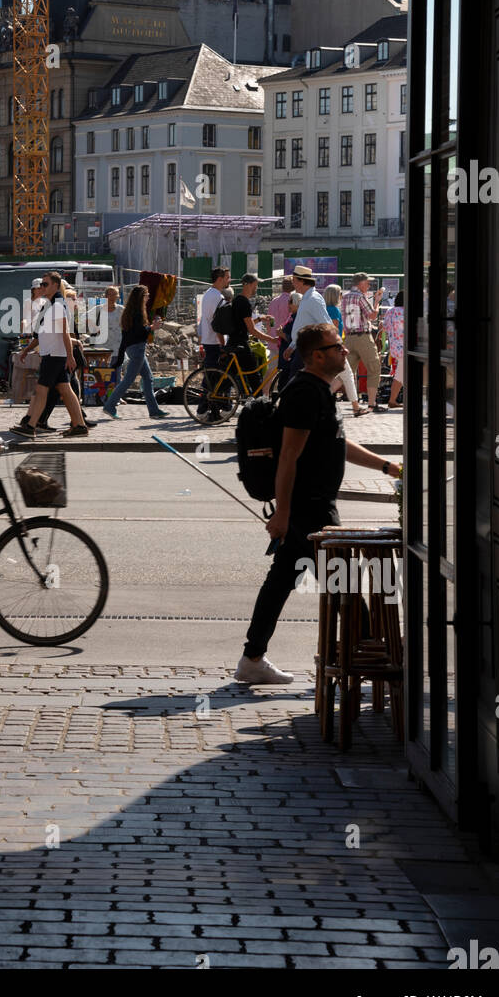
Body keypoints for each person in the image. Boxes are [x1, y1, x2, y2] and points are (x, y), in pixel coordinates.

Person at [234, 321, 402, 684]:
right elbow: (288, 457)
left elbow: (338, 444)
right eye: (337, 346)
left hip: (312, 505)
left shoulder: (322, 390)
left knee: (284, 581)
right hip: (310, 508)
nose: (344, 350)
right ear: (316, 356)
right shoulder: (304, 393)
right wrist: (283, 512)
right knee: (344, 581)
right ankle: (373, 658)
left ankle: (252, 658)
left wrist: (388, 466)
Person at [12, 271, 89, 438]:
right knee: (66, 390)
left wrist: (70, 356)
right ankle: (80, 426)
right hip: (52, 354)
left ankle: (31, 425)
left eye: (45, 284)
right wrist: (26, 350)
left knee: (41, 390)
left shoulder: (58, 306)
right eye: (41, 284)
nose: (42, 287)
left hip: (54, 355)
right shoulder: (50, 306)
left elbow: (65, 334)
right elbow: (41, 334)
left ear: (55, 285)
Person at [99, 283, 168, 421]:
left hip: (134, 348)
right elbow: (138, 332)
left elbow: (129, 334)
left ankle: (154, 410)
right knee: (128, 380)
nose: (148, 297)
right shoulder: (136, 312)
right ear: (141, 297)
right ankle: (110, 405)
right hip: (137, 349)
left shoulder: (130, 311)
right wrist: (152, 328)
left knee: (148, 378)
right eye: (147, 295)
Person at [341, 272, 385, 412]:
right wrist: (377, 302)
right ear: (360, 283)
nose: (369, 285)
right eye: (367, 282)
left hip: (349, 338)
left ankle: (324, 397)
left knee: (346, 372)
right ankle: (372, 404)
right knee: (374, 368)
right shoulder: (361, 296)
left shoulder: (345, 296)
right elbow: (372, 315)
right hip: (363, 337)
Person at [324, 283, 368, 417]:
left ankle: (324, 397)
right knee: (347, 375)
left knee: (343, 376)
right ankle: (355, 407)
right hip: (336, 347)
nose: (342, 296)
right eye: (340, 294)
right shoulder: (334, 310)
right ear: (336, 296)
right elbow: (334, 329)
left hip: (329, 347)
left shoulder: (325, 308)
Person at [223, 274, 277, 378]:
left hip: (234, 341)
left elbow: (244, 324)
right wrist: (272, 339)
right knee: (254, 376)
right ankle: (258, 395)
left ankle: (214, 392)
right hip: (240, 344)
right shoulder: (244, 303)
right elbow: (252, 330)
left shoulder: (237, 300)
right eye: (255, 286)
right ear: (248, 285)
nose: (256, 289)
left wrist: (260, 319)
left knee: (231, 376)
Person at [286, 264, 334, 378]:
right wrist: (292, 346)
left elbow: (326, 324)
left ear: (302, 281)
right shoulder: (307, 298)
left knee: (296, 384)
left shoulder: (313, 299)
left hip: (309, 350)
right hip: (304, 348)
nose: (292, 283)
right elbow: (302, 325)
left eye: (294, 280)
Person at [198, 266, 230, 419]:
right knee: (214, 377)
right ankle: (203, 410)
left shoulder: (209, 295)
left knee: (213, 377)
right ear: (220, 278)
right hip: (214, 341)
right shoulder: (217, 297)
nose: (229, 280)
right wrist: (223, 343)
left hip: (209, 340)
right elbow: (217, 324)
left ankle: (213, 409)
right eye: (227, 277)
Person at [382, 290, 405, 409]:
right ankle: (392, 400)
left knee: (400, 374)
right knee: (400, 375)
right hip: (406, 348)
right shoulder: (408, 311)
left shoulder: (390, 311)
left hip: (395, 348)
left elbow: (385, 327)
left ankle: (392, 400)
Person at [275, 292, 301, 391]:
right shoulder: (293, 316)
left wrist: (282, 334)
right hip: (286, 355)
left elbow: (295, 338)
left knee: (284, 385)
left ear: (297, 303)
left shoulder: (297, 317)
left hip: (290, 356)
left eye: (290, 302)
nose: (288, 304)